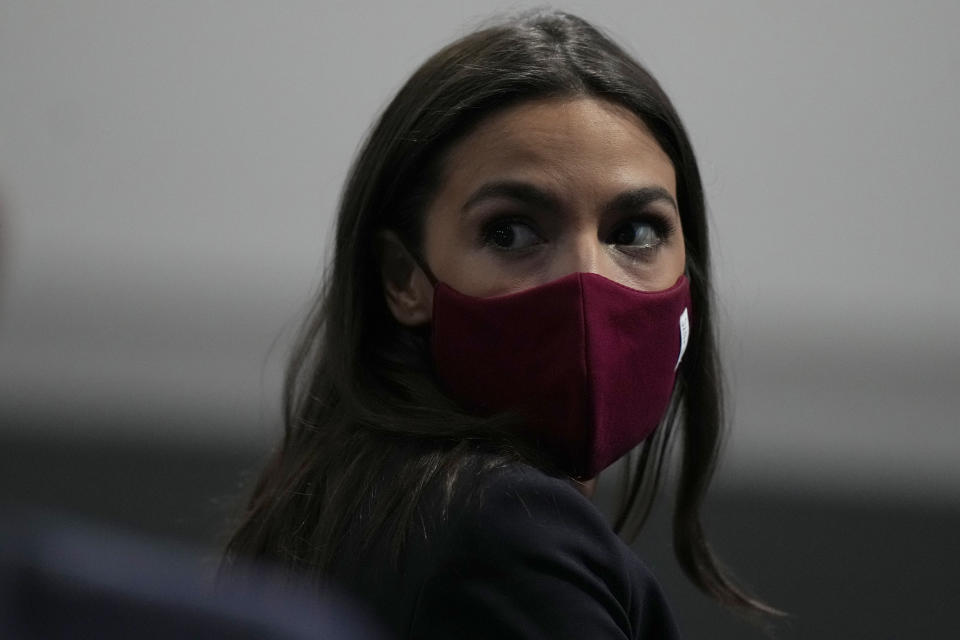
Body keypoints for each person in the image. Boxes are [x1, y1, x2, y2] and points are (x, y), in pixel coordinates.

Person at [223, 9, 777, 638]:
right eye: (510, 231)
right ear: (403, 278)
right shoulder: (504, 529)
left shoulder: (345, 502)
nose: (588, 284)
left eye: (635, 232)